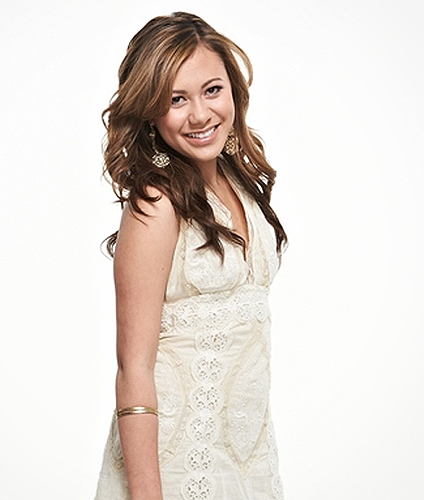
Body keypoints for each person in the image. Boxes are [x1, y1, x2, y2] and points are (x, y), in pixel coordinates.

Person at [94, 12, 287, 500]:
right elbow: (134, 369)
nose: (200, 114)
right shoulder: (156, 204)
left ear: (234, 92)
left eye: (212, 90)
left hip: (247, 466)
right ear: (150, 112)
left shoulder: (241, 185)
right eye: (176, 99)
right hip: (174, 469)